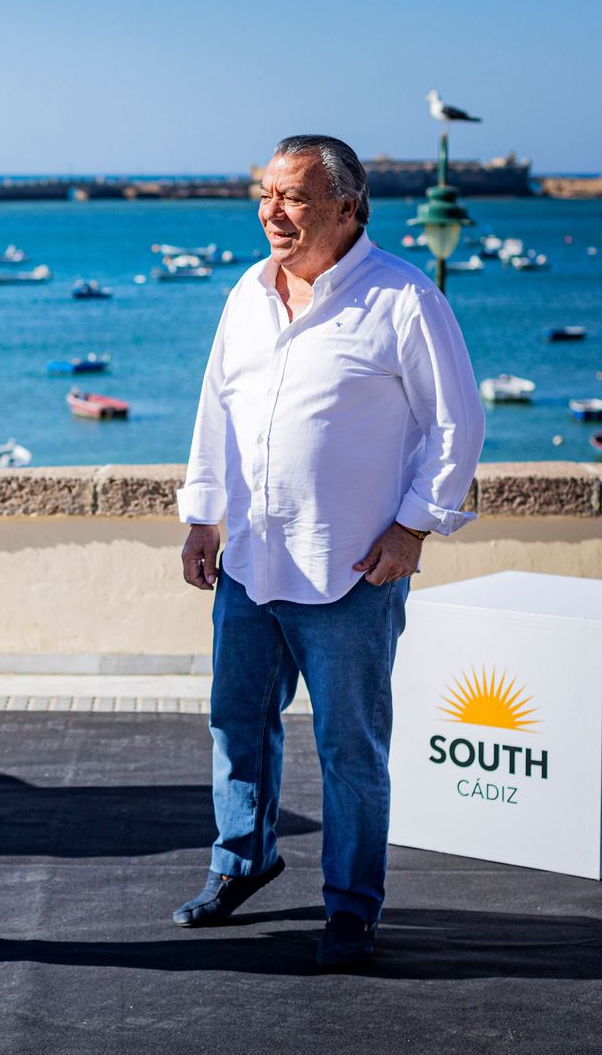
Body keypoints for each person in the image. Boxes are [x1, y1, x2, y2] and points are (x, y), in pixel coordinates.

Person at [172, 134, 484, 969]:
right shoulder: (246, 291)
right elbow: (217, 411)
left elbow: (458, 426)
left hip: (351, 569)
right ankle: (242, 861)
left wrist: (414, 528)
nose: (274, 211)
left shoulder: (405, 298)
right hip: (251, 562)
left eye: (296, 197)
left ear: (348, 207)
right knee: (237, 725)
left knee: (350, 752)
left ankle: (351, 907)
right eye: (267, 195)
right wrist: (203, 517)